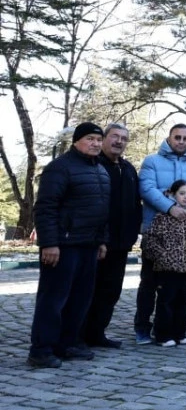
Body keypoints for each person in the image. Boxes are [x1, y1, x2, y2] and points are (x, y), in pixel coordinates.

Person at [27, 123, 111, 368]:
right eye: (90, 138)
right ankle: (41, 350)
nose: (95, 143)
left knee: (80, 300)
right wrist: (49, 243)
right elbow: (45, 208)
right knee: (53, 300)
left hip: (89, 245)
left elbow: (102, 209)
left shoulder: (100, 170)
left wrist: (102, 240)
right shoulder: (60, 168)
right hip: (63, 246)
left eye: (98, 139)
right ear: (76, 141)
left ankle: (67, 344)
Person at [135, 123, 186, 345]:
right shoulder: (152, 161)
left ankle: (176, 330)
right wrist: (170, 207)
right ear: (169, 138)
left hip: (185, 236)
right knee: (149, 284)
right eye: (177, 137)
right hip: (158, 232)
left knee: (179, 290)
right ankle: (143, 328)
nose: (181, 141)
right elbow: (147, 189)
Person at [83, 122, 141, 349]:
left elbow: (136, 203)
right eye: (115, 136)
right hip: (98, 242)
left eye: (124, 138)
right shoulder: (94, 165)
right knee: (89, 290)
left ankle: (97, 333)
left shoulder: (128, 169)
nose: (119, 141)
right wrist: (100, 238)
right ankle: (79, 335)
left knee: (111, 291)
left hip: (122, 242)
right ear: (104, 138)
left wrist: (134, 232)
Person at [141, 180, 186, 347]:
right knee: (166, 300)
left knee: (183, 300)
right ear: (173, 195)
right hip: (167, 267)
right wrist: (163, 256)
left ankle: (179, 332)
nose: (185, 197)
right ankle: (162, 334)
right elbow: (150, 240)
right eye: (182, 193)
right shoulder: (163, 217)